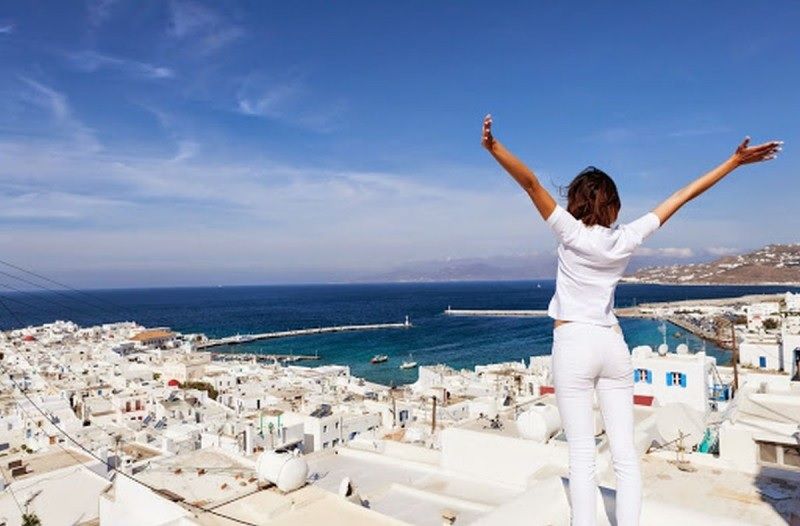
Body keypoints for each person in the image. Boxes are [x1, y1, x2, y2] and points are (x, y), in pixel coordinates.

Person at [481, 114, 781, 526]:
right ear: (613, 205)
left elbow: (531, 183)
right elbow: (682, 196)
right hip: (613, 344)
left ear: (577, 201)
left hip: (574, 344)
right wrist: (733, 162)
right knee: (625, 457)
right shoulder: (626, 238)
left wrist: (494, 147)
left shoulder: (571, 233)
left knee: (582, 457)